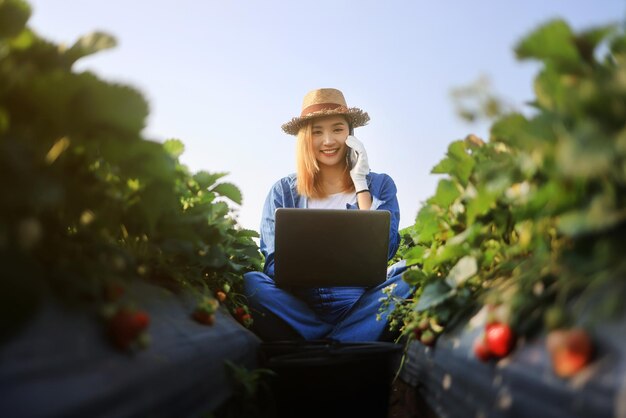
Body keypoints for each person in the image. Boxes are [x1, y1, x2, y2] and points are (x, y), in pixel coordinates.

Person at [243, 88, 412, 342]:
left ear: (350, 135)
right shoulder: (282, 191)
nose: (328, 141)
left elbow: (385, 250)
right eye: (317, 132)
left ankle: (318, 342)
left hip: (361, 301)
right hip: (301, 304)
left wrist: (360, 183)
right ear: (304, 139)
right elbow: (273, 264)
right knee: (252, 283)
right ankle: (347, 340)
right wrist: (315, 270)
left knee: (411, 272)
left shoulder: (380, 185)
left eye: (337, 129)